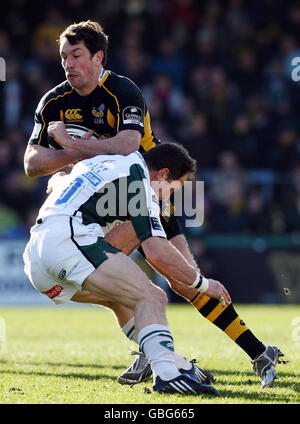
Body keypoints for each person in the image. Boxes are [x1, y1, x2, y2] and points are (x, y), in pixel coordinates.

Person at [24, 20, 283, 389]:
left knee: (181, 278)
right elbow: (32, 164)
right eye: (63, 55)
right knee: (116, 276)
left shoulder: (122, 90)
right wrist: (76, 153)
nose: (68, 63)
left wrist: (67, 148)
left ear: (98, 57)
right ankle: (160, 347)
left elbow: (128, 145)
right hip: (104, 194)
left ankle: (251, 351)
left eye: (76, 55)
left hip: (150, 187)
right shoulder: (53, 101)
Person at [23, 142, 231, 395]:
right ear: (163, 174)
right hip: (68, 241)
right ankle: (166, 376)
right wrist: (205, 284)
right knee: (153, 297)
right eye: (173, 189)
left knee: (122, 301)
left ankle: (177, 364)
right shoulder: (140, 183)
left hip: (37, 259)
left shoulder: (108, 161)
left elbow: (62, 179)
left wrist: (59, 179)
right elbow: (158, 254)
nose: (169, 197)